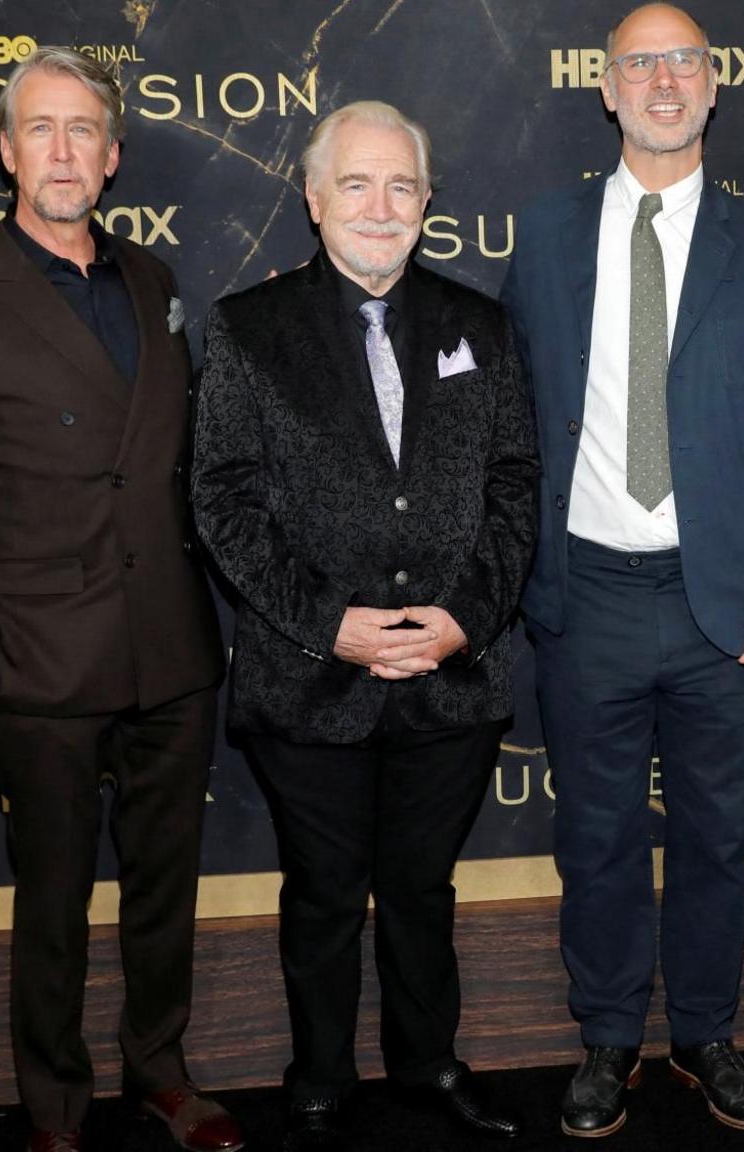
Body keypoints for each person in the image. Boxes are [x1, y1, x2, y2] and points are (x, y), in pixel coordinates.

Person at [0, 46, 241, 1152]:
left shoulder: (154, 282)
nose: (63, 150)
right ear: (4, 152)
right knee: (50, 905)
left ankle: (160, 1071)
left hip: (172, 652)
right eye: (39, 129)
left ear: (114, 153)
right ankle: (54, 1105)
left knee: (163, 892)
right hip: (41, 662)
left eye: (82, 128)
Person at [499, 2, 744, 1137]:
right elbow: (509, 420)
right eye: (640, 64)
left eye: (681, 61)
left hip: (721, 605)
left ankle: (704, 1034)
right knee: (590, 838)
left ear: (713, 83)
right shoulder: (543, 235)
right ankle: (603, 1041)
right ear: (606, 88)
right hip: (582, 592)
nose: (662, 82)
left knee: (714, 839)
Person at [190, 101, 539, 1152]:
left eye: (401, 187)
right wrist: (327, 626)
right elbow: (221, 500)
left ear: (428, 203)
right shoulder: (246, 329)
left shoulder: (480, 326)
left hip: (450, 678)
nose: (379, 207)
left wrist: (462, 621)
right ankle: (320, 1077)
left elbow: (516, 486)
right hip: (309, 679)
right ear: (312, 197)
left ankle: (430, 1064)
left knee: (422, 891)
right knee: (325, 893)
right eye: (356, 184)